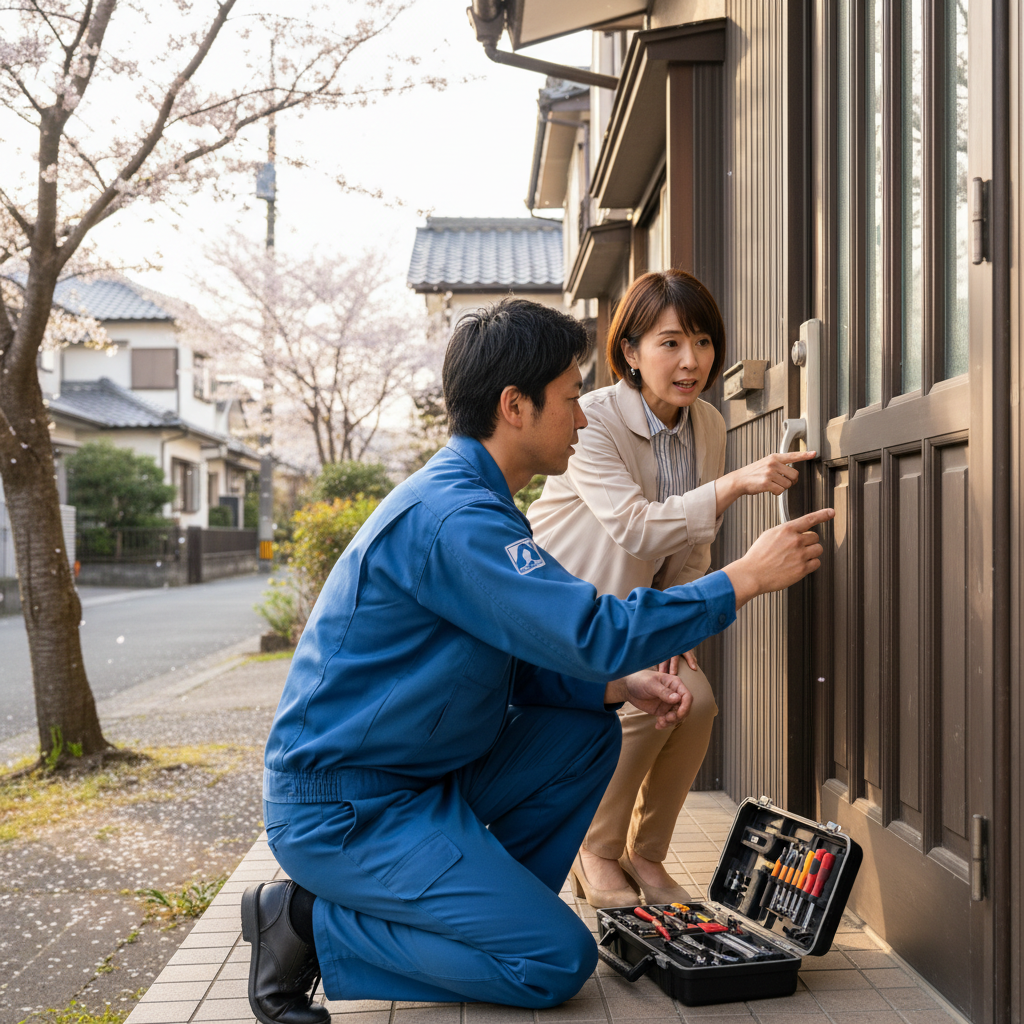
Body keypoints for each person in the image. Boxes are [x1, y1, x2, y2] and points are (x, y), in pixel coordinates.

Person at [242, 297, 832, 1024]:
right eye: (570, 399)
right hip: (347, 807)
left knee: (586, 729)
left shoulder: (480, 502)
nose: (583, 418)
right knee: (553, 960)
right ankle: (302, 922)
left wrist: (617, 682)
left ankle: (480, 911)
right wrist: (744, 578)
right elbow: (591, 628)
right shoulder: (456, 518)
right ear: (514, 406)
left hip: (421, 779)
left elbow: (515, 661)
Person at [528, 270, 816, 908]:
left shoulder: (707, 424)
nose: (693, 361)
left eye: (705, 342)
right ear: (629, 353)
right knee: (636, 707)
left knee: (697, 700)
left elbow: (693, 547)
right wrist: (735, 484)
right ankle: (595, 851)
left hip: (643, 612)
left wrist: (677, 630)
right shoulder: (593, 419)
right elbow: (633, 528)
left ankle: (645, 852)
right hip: (573, 609)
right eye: (670, 343)